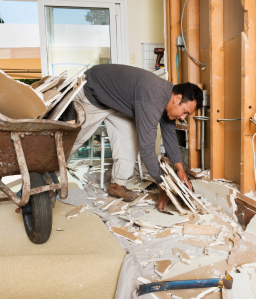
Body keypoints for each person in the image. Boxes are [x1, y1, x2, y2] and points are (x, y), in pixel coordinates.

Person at [69, 64, 203, 211]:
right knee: (73, 140)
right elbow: (147, 150)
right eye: (184, 112)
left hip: (115, 103)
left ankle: (117, 185)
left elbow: (170, 137)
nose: (183, 118)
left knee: (129, 139)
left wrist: (180, 167)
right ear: (177, 99)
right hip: (93, 93)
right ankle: (51, 179)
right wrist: (163, 185)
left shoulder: (167, 100)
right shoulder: (152, 99)